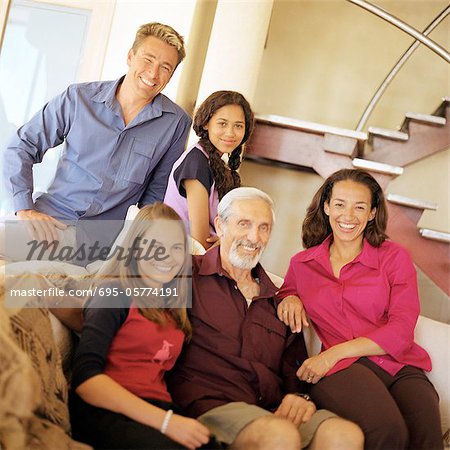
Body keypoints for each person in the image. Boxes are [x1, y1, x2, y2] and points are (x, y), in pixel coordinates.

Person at [168, 187, 364, 449]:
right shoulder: (187, 273)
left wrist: (300, 397)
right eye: (244, 224)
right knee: (279, 436)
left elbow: (294, 371)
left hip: (268, 410)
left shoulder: (280, 301)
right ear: (220, 225)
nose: (254, 237)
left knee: (345, 435)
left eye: (264, 227)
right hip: (208, 405)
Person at [277, 169, 443, 450]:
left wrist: (332, 354)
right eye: (340, 204)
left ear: (371, 213)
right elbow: (286, 292)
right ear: (326, 206)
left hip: (397, 363)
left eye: (360, 207)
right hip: (342, 371)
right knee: (388, 431)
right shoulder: (303, 264)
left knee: (426, 431)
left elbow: (402, 328)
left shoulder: (394, 257)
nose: (348, 216)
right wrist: (289, 297)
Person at [1, 22, 191, 256]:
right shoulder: (78, 98)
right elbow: (21, 146)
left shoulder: (175, 123)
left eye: (165, 67)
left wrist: (132, 250)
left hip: (103, 243)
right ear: (130, 56)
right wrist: (24, 209)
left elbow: (155, 194)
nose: (153, 73)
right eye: (148, 59)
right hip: (51, 221)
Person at [69, 203, 215, 450]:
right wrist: (167, 422)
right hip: (107, 412)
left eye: (176, 248)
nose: (166, 256)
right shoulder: (114, 293)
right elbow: (86, 380)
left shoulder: (174, 309)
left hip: (158, 408)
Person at [164, 91, 254, 250]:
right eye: (222, 123)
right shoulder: (196, 163)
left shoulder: (214, 162)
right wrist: (229, 242)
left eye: (238, 126)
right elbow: (199, 242)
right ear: (206, 123)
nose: (230, 133)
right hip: (182, 259)